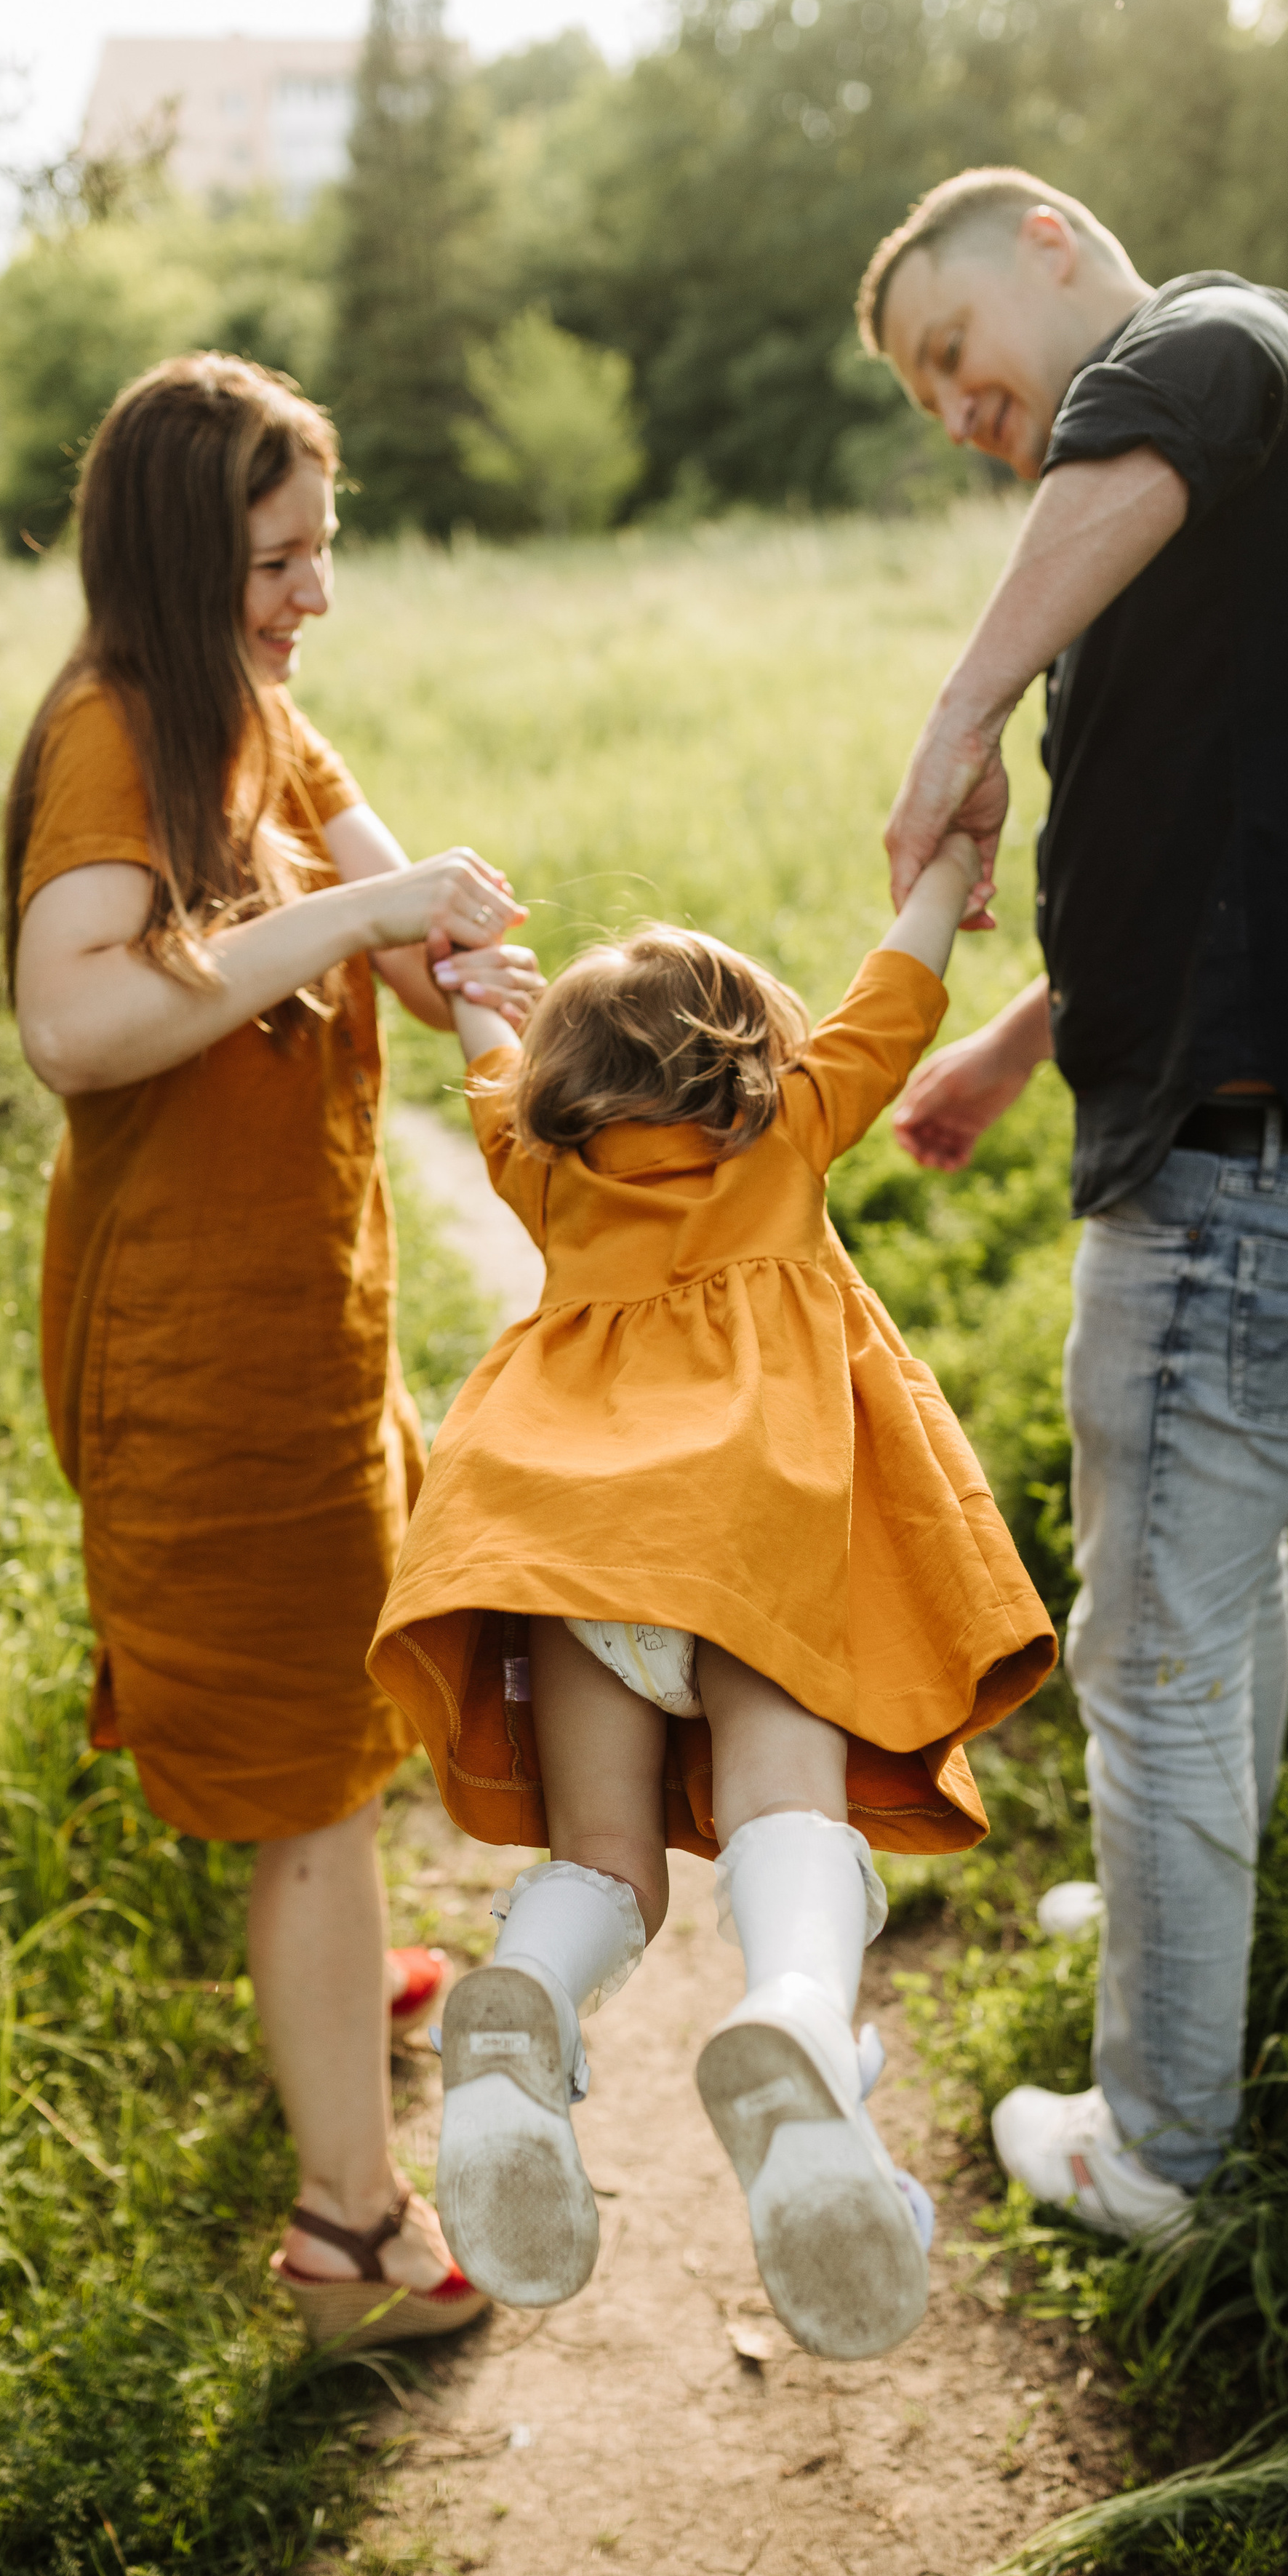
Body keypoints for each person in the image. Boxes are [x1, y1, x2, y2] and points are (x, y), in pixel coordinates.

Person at [856, 168, 1288, 2233]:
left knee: (1157, 1659)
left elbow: (1189, 384)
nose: (958, 408)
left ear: (1047, 240)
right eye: (927, 400)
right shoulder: (1206, 524)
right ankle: (1175, 1944)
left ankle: (1157, 2148)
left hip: (1242, 1169)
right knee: (1226, 1603)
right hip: (1278, 1145)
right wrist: (1024, 1037)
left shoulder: (1211, 339)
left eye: (954, 353)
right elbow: (1231, 823)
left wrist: (966, 706)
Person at [3, 352, 545, 2348]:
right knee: (307, 1791)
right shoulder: (117, 739)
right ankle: (353, 2243)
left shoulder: (251, 714)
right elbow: (76, 1020)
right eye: (277, 561)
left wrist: (449, 951)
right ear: (174, 556)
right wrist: (364, 914)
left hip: (306, 1336)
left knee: (344, 1705)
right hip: (203, 1371)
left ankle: (339, 1977)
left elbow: (374, 914)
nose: (315, 596)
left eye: (327, 552)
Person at [368, 843, 1057, 2361]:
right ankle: (799, 2015)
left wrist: (492, 998)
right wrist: (945, 871)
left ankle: (526, 2002)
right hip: (750, 1538)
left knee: (604, 1858)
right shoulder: (791, 1127)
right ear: (755, 1059)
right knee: (778, 1804)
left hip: (566, 1545)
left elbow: (492, 1061)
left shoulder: (539, 1166)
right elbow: (896, 993)